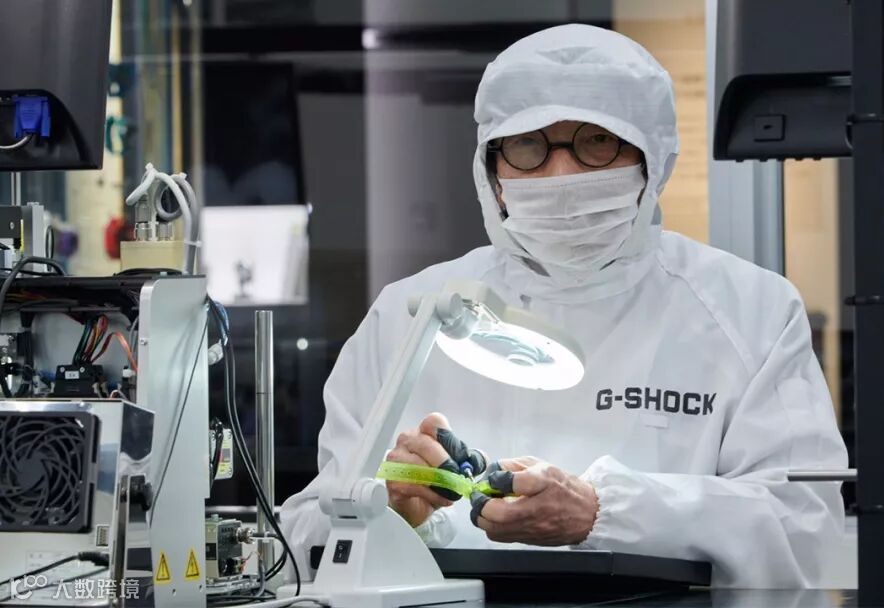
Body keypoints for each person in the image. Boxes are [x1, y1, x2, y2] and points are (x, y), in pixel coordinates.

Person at [281, 23, 847, 588]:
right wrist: (385, 512)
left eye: (596, 142)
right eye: (527, 145)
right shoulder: (410, 315)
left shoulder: (750, 312)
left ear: (653, 160)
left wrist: (606, 511)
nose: (561, 176)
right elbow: (300, 539)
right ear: (490, 169)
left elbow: (803, 531)